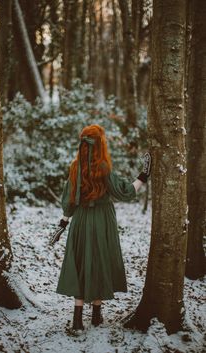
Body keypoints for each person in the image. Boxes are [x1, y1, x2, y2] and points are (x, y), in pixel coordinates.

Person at [55, 124, 151, 335]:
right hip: (101, 220)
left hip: (80, 221)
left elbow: (69, 201)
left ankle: (78, 321)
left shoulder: (74, 166)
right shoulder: (103, 168)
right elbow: (124, 192)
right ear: (100, 145)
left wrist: (63, 222)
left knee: (81, 262)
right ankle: (97, 315)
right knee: (98, 260)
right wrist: (143, 176)